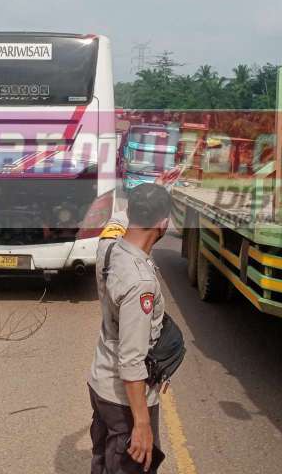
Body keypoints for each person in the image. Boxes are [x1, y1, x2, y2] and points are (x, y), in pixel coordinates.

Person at [87, 183, 171, 473]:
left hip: (100, 383)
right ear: (163, 224)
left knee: (101, 462)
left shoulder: (108, 247)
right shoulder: (140, 284)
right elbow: (132, 359)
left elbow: (120, 217)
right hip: (125, 402)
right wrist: (142, 424)